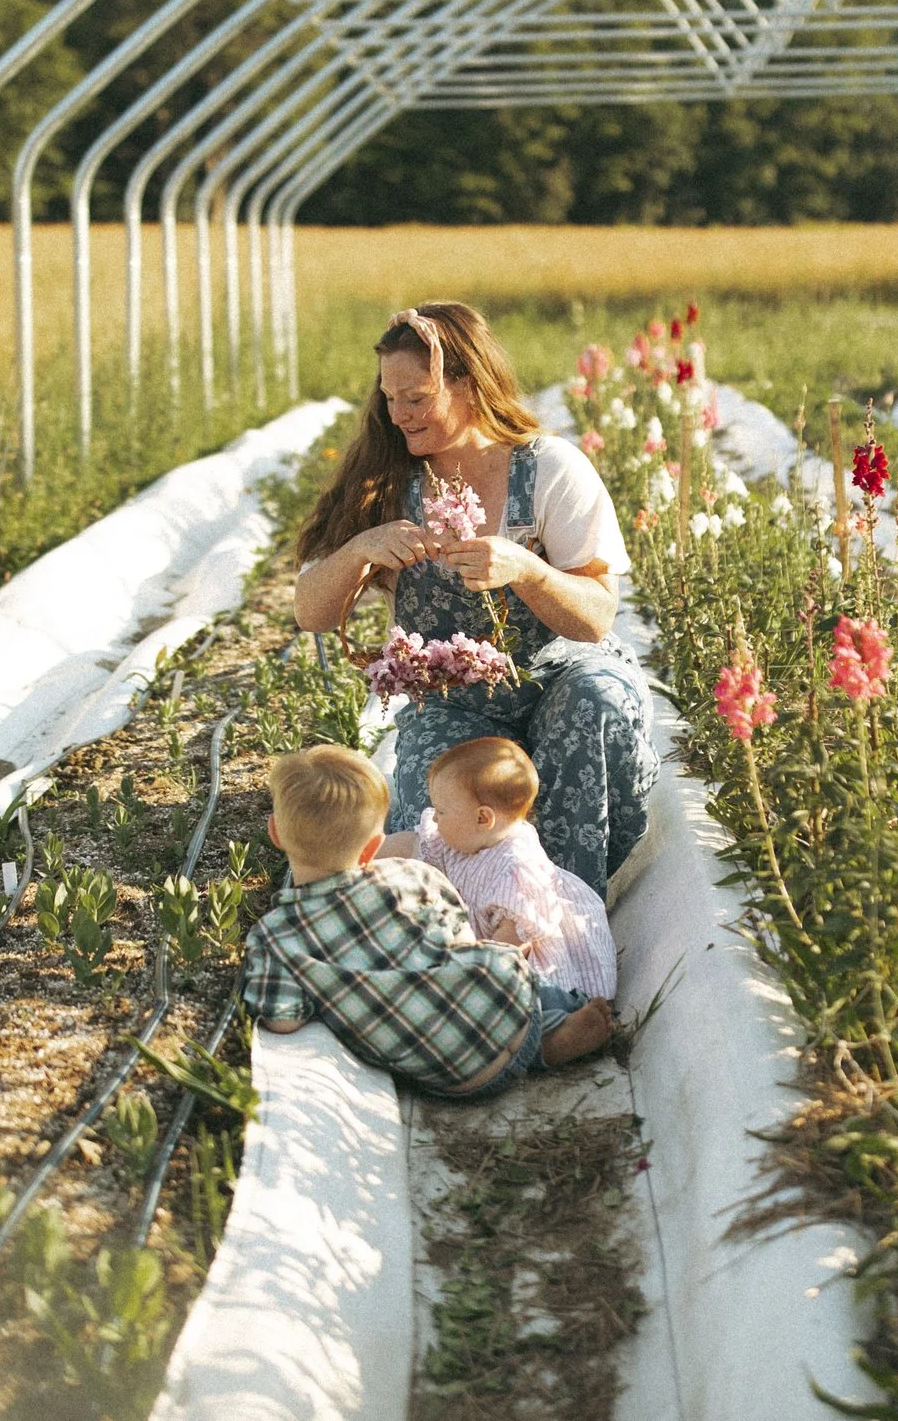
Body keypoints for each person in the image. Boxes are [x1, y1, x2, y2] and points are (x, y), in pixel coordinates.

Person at [293, 300, 658, 896]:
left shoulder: (549, 469)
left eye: (418, 397)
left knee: (597, 703)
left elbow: (595, 619)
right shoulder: (384, 479)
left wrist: (528, 570)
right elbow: (311, 611)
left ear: (470, 385)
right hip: (454, 697)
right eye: (390, 398)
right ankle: (464, 940)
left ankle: (566, 924)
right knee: (441, 818)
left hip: (558, 673)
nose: (399, 415)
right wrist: (363, 548)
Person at [242, 744, 612, 1098]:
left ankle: (544, 1047)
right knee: (497, 969)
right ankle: (561, 1020)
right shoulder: (412, 874)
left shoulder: (274, 937)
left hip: (450, 1077)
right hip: (504, 1003)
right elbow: (464, 942)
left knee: (450, 1028)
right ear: (373, 848)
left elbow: (283, 1020)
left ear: (274, 832)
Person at [381, 736, 617, 1000]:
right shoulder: (465, 837)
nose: (433, 817)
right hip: (480, 943)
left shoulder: (517, 871)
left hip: (524, 963)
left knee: (529, 999)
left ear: (483, 817)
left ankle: (563, 1027)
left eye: (441, 810)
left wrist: (463, 975)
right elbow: (413, 846)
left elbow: (511, 948)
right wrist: (363, 855)